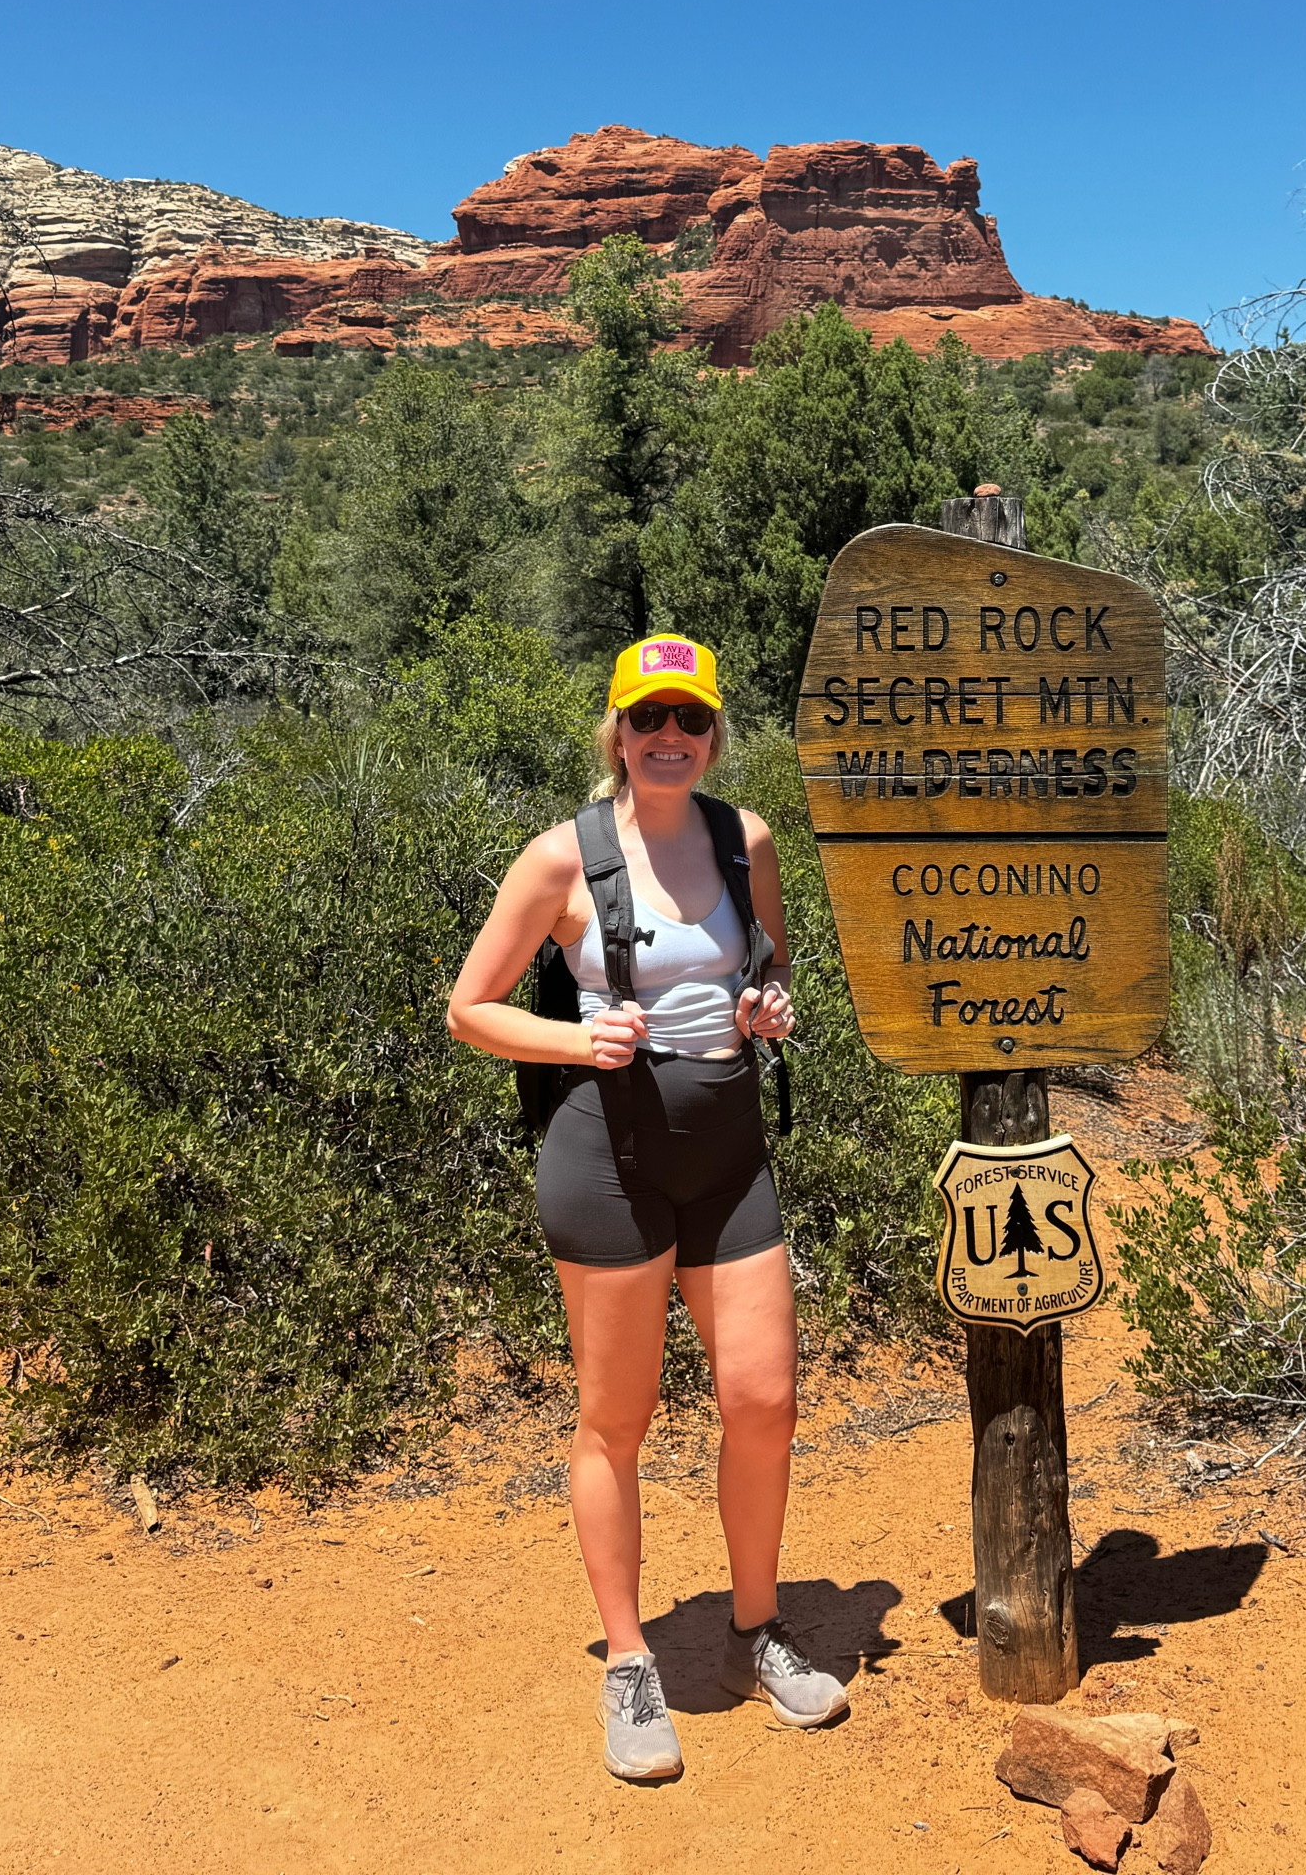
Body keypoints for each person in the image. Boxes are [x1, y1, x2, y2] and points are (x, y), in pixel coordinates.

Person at [447, 634, 847, 1781]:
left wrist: (767, 1002)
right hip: (606, 1160)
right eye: (650, 717)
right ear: (618, 732)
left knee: (763, 1399)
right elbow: (469, 1008)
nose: (671, 736)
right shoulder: (558, 860)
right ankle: (630, 1661)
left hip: (728, 1153)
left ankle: (753, 1632)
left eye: (691, 718)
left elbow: (770, 965)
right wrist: (579, 1038)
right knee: (614, 1420)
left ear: (714, 732)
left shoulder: (744, 838)